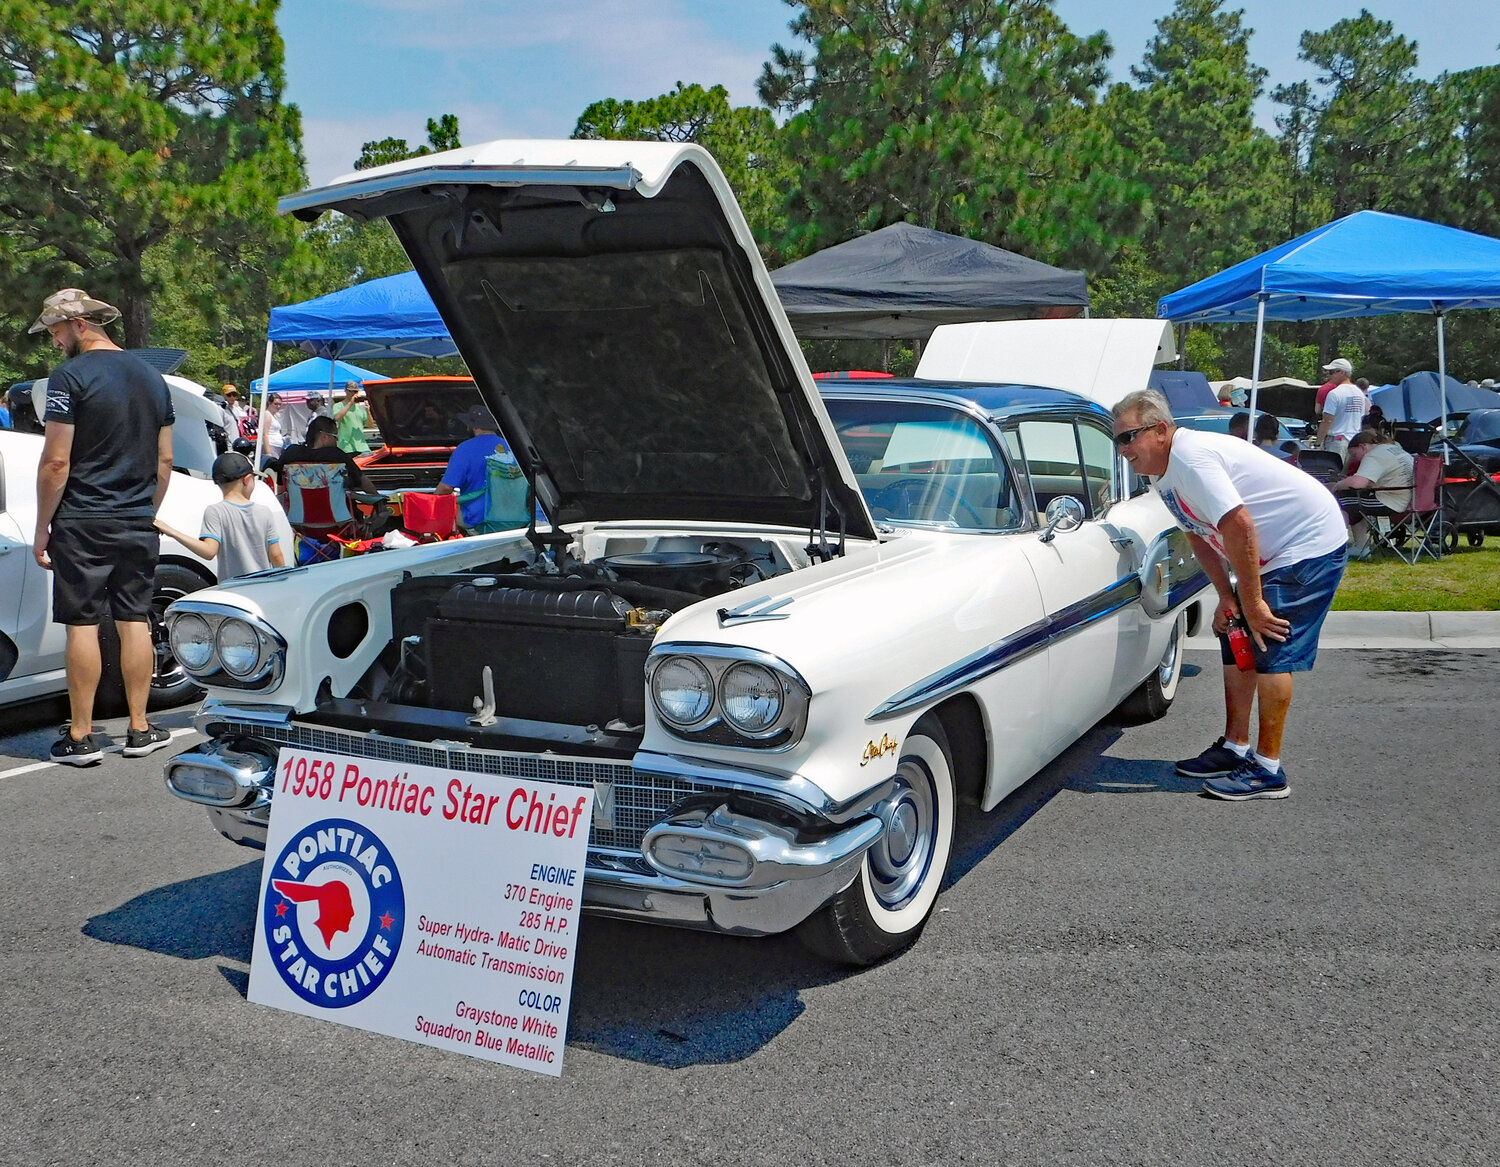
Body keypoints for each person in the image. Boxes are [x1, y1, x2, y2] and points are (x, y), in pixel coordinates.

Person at [1112, 389, 1348, 801]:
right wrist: (1227, 597)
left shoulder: (1191, 458)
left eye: (1128, 437)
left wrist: (1253, 603)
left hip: (1306, 545)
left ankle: (1268, 770)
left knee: (1269, 644)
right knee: (1236, 635)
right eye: (1118, 441)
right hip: (1270, 550)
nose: (1123, 449)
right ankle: (1236, 748)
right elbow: (1197, 533)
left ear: (1161, 430)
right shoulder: (1161, 470)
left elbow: (1239, 525)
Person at [28, 288, 176, 765]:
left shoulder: (68, 376)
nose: (53, 342)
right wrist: (145, 508)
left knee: (82, 624)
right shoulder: (153, 378)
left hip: (82, 520)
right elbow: (165, 460)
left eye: (54, 330)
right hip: (136, 517)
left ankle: (81, 736)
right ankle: (139, 727)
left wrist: (42, 526)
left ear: (78, 323)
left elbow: (55, 462)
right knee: (135, 620)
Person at [155, 452, 286, 579]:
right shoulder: (264, 511)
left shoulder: (215, 511)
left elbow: (208, 552)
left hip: (232, 590)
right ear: (246, 480)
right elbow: (275, 555)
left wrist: (172, 532)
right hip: (261, 587)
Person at [1329, 429, 1415, 560]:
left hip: (1392, 501)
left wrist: (1336, 486)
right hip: (1408, 498)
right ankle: (1360, 547)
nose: (1355, 459)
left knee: (1342, 500)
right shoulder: (1393, 448)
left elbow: (1358, 483)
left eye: (1354, 454)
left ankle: (1334, 544)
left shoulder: (1373, 455)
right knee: (1353, 503)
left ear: (1362, 446)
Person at [434, 405, 509, 530]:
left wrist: (432, 499)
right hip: (513, 517)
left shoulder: (465, 449)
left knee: (444, 512)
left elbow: (446, 488)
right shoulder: (510, 446)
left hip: (476, 518)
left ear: (473, 426)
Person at [267, 414, 372, 492]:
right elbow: (362, 481)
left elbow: (281, 488)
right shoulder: (337, 456)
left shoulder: (290, 454)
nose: (337, 441)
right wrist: (378, 500)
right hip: (337, 518)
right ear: (325, 437)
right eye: (335, 437)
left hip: (296, 518)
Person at [1316, 359, 1368, 465]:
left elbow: (1327, 421)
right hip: (1356, 442)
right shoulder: (1359, 393)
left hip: (1337, 441)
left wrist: (1318, 443)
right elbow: (1362, 417)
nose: (1329, 376)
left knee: (1334, 474)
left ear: (1342, 372)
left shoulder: (1334, 393)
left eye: (1332, 372)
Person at [334, 381, 370, 455]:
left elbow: (370, 425)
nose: (353, 394)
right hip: (346, 447)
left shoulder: (360, 407)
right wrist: (350, 404)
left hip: (362, 447)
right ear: (346, 391)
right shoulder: (338, 406)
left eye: (355, 391)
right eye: (351, 391)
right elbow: (337, 418)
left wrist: (368, 410)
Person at [262, 392, 286, 462]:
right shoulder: (267, 415)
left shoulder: (273, 416)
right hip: (271, 446)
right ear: (269, 403)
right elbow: (265, 434)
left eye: (280, 404)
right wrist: (268, 453)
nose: (278, 406)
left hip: (277, 447)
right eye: (275, 404)